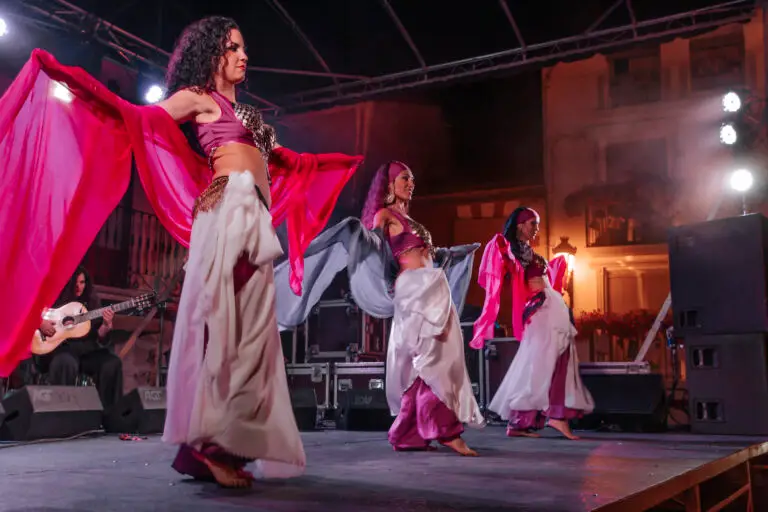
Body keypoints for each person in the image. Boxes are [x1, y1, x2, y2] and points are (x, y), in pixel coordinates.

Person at [0, 16, 361, 488]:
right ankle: (210, 446)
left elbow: (289, 163)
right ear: (211, 55)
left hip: (254, 218)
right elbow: (139, 118)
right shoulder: (199, 98)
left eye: (243, 47)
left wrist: (334, 163)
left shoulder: (252, 117)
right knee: (226, 329)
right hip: (227, 210)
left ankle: (226, 444)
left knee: (253, 334)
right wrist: (81, 86)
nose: (243, 56)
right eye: (232, 48)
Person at [364, 161, 484, 455]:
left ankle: (409, 434)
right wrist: (382, 276)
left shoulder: (409, 219)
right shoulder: (384, 215)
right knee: (434, 357)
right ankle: (446, 430)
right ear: (389, 184)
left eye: (412, 179)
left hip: (431, 286)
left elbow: (425, 254)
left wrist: (451, 253)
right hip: (414, 290)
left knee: (432, 359)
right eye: (404, 178)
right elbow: (371, 247)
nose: (410, 183)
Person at [470, 207, 594, 439]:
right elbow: (510, 271)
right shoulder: (511, 251)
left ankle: (530, 420)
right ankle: (550, 416)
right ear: (519, 225)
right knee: (541, 363)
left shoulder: (528, 251)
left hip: (549, 307)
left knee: (550, 361)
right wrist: (503, 249)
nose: (536, 228)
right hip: (540, 309)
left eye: (537, 223)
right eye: (532, 223)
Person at [38, 266, 122, 410]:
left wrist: (106, 326)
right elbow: (31, 312)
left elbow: (98, 336)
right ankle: (60, 414)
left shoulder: (92, 302)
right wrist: (40, 323)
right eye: (75, 283)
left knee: (112, 363)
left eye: (82, 282)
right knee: (66, 362)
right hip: (60, 350)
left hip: (86, 352)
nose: (79, 287)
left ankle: (109, 415)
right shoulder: (55, 297)